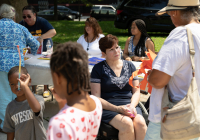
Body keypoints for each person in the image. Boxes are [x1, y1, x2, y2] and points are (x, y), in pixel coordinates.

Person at [144, 0, 200, 140]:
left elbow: (158, 81)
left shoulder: (181, 34)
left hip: (175, 117)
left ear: (174, 11)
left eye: (169, 13)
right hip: (196, 116)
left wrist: (151, 76)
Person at [91, 34, 147, 140]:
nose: (116, 51)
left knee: (140, 123)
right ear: (104, 54)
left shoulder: (130, 66)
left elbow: (136, 91)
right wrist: (117, 109)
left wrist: (131, 106)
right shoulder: (98, 69)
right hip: (108, 107)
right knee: (126, 123)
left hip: (130, 105)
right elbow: (96, 98)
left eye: (117, 47)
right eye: (111, 49)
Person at [47, 42, 102, 140]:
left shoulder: (59, 124)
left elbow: (66, 121)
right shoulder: (96, 102)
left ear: (57, 77)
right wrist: (61, 102)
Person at [0, 3, 40, 133]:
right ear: (14, 16)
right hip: (17, 65)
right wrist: (31, 51)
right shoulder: (20, 27)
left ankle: (6, 126)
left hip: (1, 64)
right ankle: (18, 122)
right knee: (18, 94)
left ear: (1, 15)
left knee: (4, 94)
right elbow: (35, 44)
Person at [19, 5, 57, 98]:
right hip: (30, 50)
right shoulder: (21, 24)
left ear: (34, 15)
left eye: (29, 16)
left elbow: (53, 32)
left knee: (44, 67)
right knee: (31, 67)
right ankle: (33, 89)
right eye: (24, 16)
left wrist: (41, 37)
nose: (26, 18)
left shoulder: (42, 21)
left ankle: (45, 89)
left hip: (45, 48)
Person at [3, 66, 46, 140]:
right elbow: (10, 130)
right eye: (12, 84)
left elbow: (36, 109)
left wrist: (25, 87)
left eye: (20, 82)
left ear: (29, 82)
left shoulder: (38, 99)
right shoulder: (10, 107)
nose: (17, 86)